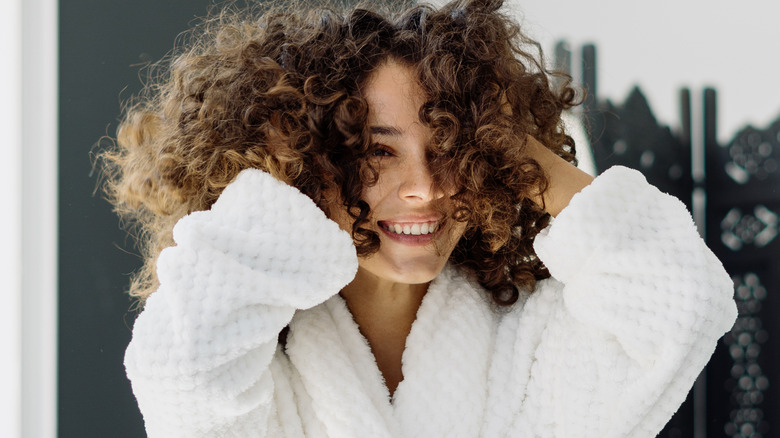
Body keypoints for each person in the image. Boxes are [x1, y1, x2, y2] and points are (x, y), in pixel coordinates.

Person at [99, 0, 737, 436]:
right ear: (307, 161)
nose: (425, 189)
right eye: (377, 153)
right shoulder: (254, 350)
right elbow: (178, 368)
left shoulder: (530, 336)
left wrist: (513, 142)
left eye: (450, 146)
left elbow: (680, 304)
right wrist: (293, 174)